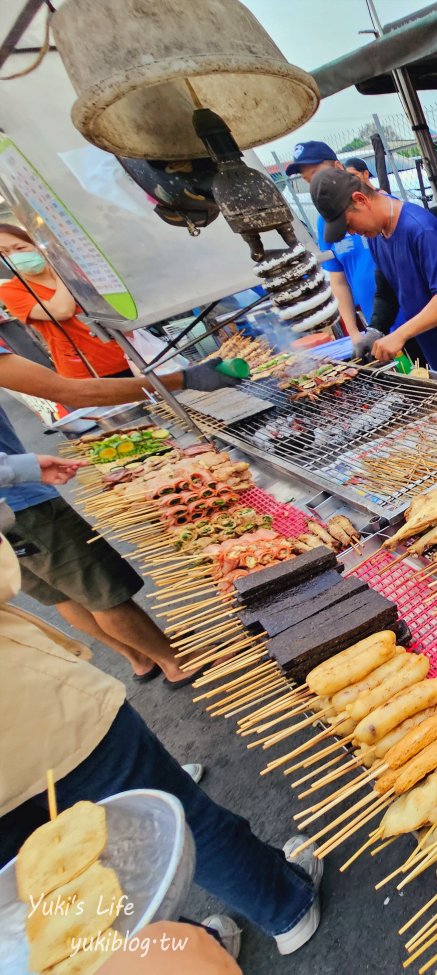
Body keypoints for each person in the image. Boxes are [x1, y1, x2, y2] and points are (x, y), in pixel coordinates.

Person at [0, 529, 323, 957]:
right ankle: (286, 907)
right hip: (36, 724)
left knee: (57, 893)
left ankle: (187, 951)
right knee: (169, 812)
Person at [0, 341, 241, 684]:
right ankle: (176, 661)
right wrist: (181, 379)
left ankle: (140, 657)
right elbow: (69, 391)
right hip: (20, 505)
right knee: (101, 591)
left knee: (61, 592)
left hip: (8, 516)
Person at [311, 167, 437, 379]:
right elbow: (386, 291)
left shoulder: (420, 229)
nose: (352, 233)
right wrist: (375, 331)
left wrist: (400, 335)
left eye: (349, 225)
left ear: (361, 200)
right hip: (436, 353)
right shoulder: (377, 235)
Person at [0, 224, 134, 379]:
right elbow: (62, 311)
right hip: (88, 370)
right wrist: (62, 269)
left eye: (20, 248)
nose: (14, 256)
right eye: (3, 253)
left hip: (133, 352)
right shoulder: (12, 290)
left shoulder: (80, 270)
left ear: (37, 245)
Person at [284, 141, 377, 336]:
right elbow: (338, 278)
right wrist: (353, 332)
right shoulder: (325, 223)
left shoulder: (378, 207)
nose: (315, 186)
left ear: (337, 167)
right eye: (309, 181)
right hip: (379, 323)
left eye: (318, 174)